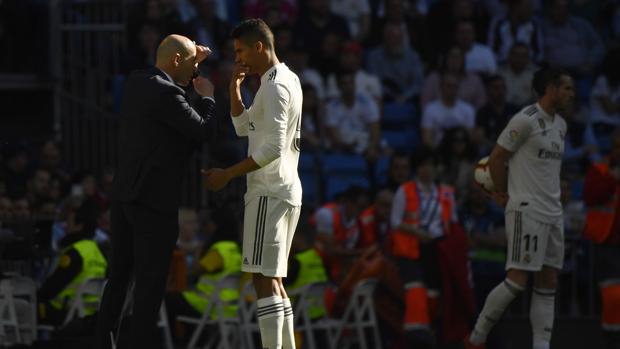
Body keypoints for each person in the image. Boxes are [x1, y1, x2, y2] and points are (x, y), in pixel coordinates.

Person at [94, 34, 216, 349]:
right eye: (191, 64)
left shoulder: (138, 81)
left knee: (118, 278)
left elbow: (177, 117)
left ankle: (104, 341)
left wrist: (192, 64)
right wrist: (208, 96)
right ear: (176, 61)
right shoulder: (167, 95)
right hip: (154, 202)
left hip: (123, 196)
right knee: (150, 285)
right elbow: (202, 130)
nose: (195, 71)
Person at [203, 18, 303, 349]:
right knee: (273, 280)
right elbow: (244, 128)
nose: (238, 57)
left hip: (268, 191)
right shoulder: (285, 79)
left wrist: (227, 174)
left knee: (262, 279)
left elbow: (272, 148)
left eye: (241, 50)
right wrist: (233, 89)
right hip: (285, 190)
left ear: (259, 46)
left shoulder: (274, 87)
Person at [464, 67, 575, 349]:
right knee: (516, 281)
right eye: (567, 89)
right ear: (551, 88)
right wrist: (502, 193)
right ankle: (477, 338)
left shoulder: (560, 125)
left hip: (553, 212)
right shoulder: (524, 120)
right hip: (527, 209)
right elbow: (497, 158)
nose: (571, 95)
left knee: (548, 281)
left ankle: (541, 346)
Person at [583, 129, 620, 349]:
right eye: (617, 147)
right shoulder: (599, 171)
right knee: (614, 296)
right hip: (606, 242)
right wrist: (612, 180)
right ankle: (612, 338)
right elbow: (590, 196)